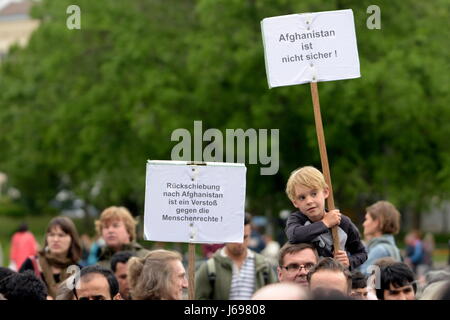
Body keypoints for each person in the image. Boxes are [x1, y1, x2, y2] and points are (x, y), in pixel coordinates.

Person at [285, 166, 367, 270]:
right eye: (302, 197)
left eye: (314, 194)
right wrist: (325, 223)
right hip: (308, 282)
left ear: (325, 192)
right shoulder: (297, 220)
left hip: (338, 280)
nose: (309, 201)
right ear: (295, 202)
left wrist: (349, 261)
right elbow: (294, 236)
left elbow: (362, 253)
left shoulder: (343, 222)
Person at [195, 213, 277, 300]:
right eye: (236, 237)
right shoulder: (210, 267)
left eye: (244, 237)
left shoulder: (263, 266)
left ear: (250, 234)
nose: (240, 243)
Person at [19, 216, 82, 299]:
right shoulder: (31, 264)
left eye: (61, 235)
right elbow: (16, 293)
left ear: (72, 239)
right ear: (47, 238)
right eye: (51, 235)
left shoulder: (78, 271)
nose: (55, 239)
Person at [358, 201, 402, 275]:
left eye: (367, 219)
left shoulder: (380, 250)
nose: (364, 224)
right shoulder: (391, 248)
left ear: (376, 222)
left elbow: (362, 278)